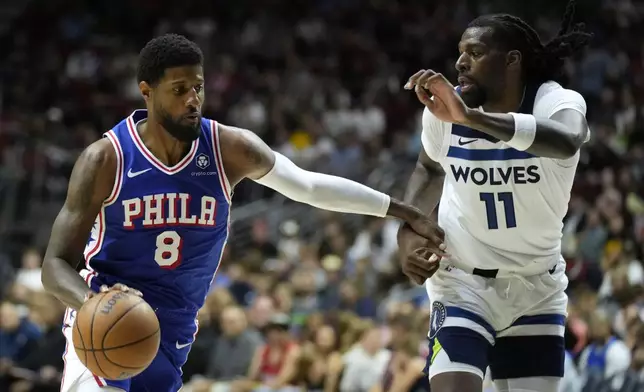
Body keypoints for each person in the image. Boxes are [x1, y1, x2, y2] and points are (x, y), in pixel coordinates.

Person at [41, 34, 446, 392]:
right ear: (146, 91)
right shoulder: (105, 158)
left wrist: (400, 209)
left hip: (174, 331)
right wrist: (93, 302)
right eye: (179, 89)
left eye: (197, 87)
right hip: (107, 321)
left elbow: (309, 186)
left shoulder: (228, 148)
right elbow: (55, 264)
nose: (192, 99)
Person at [397, 1, 593, 391]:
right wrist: (407, 236)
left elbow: (569, 140)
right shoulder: (444, 110)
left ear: (512, 60)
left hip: (536, 288)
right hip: (461, 283)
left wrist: (470, 118)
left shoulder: (555, 101)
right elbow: (430, 168)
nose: (460, 63)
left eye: (475, 52)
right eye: (459, 53)